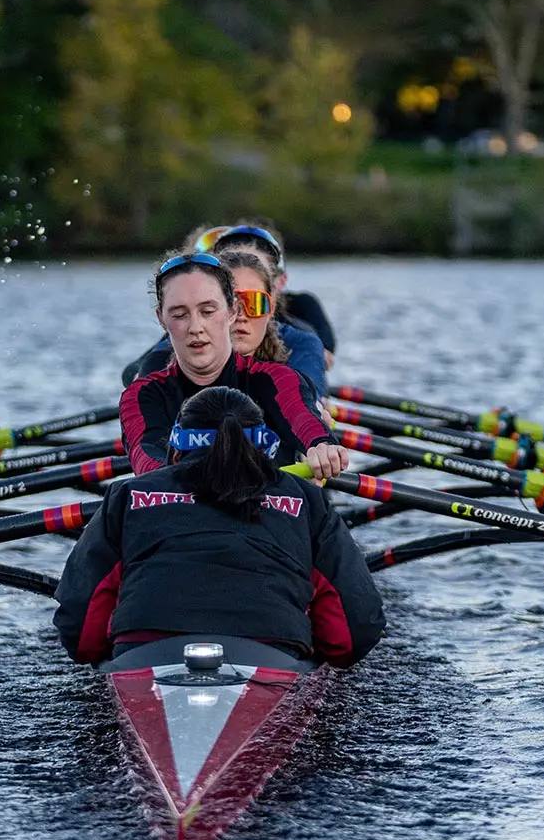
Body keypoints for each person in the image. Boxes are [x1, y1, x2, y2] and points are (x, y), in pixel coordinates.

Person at [54, 386, 384, 667]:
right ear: (265, 448)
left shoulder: (127, 493)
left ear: (176, 447)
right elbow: (356, 625)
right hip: (273, 655)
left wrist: (105, 658)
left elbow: (81, 622)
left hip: (143, 653)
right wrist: (316, 659)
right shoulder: (306, 499)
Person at [120, 251, 348, 479]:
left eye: (207, 311)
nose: (195, 328)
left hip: (265, 500)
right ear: (161, 319)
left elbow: (302, 417)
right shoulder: (141, 395)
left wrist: (322, 444)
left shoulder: (278, 379)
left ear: (232, 311)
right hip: (181, 499)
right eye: (179, 315)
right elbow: (146, 457)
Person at [120, 222, 338, 387]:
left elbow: (307, 392)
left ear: (273, 289)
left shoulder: (302, 338)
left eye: (253, 299)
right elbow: (136, 372)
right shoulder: (190, 337)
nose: (240, 314)